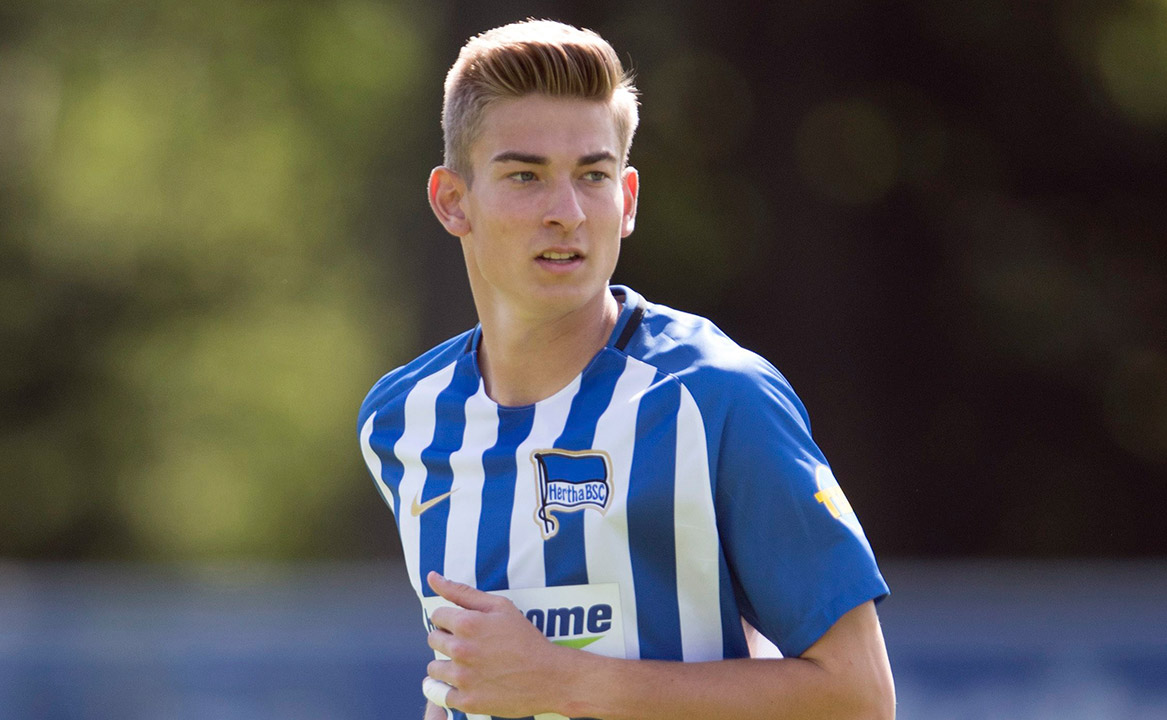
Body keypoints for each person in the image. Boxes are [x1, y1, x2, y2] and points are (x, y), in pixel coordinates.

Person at [357, 19, 894, 720]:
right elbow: (475, 685)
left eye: (593, 176)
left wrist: (563, 680)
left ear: (628, 200)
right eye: (526, 175)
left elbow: (858, 696)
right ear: (453, 201)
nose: (567, 212)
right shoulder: (402, 423)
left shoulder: (716, 397)